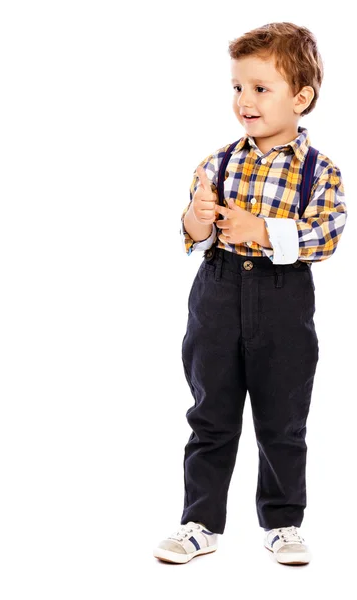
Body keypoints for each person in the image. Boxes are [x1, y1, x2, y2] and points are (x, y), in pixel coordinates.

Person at [153, 21, 347, 566]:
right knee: (210, 414)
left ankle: (283, 521)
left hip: (283, 301)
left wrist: (263, 232)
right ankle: (200, 521)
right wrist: (196, 220)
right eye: (238, 87)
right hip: (215, 296)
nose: (245, 100)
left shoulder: (319, 171)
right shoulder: (217, 161)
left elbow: (327, 235)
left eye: (261, 88)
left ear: (301, 97)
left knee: (282, 418)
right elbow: (194, 233)